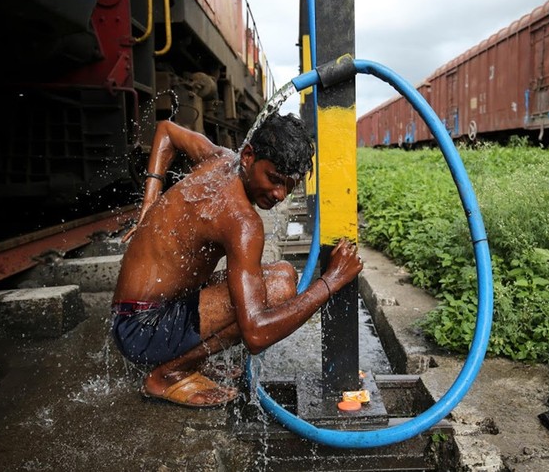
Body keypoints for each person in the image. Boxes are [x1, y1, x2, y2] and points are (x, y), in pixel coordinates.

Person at [112, 113, 363, 407]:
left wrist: (150, 200)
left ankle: (187, 359)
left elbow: (166, 131)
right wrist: (330, 282)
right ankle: (167, 374)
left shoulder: (219, 158)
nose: (280, 194)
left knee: (282, 275)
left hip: (134, 313)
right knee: (280, 290)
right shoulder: (242, 221)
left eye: (290, 185)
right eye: (273, 179)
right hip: (141, 329)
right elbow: (256, 334)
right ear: (248, 156)